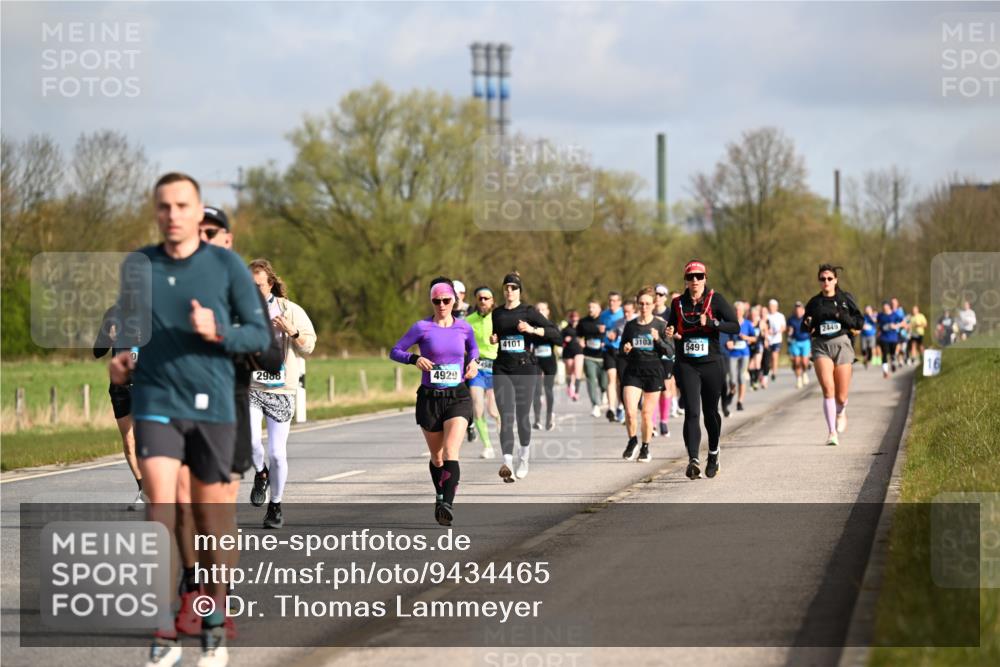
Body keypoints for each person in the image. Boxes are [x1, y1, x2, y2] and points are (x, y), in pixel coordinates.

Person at [108, 172, 270, 667]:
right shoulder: (140, 265)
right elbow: (134, 328)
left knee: (208, 517)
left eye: (182, 206)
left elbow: (260, 338)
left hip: (214, 406)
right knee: (163, 510)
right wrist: (121, 363)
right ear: (156, 212)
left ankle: (213, 612)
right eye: (164, 206)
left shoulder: (227, 267)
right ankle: (163, 623)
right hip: (157, 402)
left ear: (199, 213)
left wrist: (218, 330)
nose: (173, 215)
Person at [391, 277, 478, 524]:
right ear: (432, 301)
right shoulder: (421, 328)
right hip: (430, 398)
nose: (441, 304)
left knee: (451, 451)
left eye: (446, 300)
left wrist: (474, 363)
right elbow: (395, 350)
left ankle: (447, 505)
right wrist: (413, 359)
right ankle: (440, 494)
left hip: (457, 396)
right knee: (437, 457)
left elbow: (473, 349)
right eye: (436, 300)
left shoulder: (463, 327)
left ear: (454, 301)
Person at [246, 259, 316, 530]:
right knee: (251, 442)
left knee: (277, 453)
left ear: (270, 284)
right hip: (250, 387)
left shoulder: (289, 310)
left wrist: (293, 332)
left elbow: (309, 345)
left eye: (258, 286)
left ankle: (275, 506)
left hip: (281, 389)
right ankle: (261, 474)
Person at [666, 260, 740, 480]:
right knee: (692, 411)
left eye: (699, 276)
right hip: (687, 363)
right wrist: (670, 331)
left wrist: (713, 324)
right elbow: (672, 326)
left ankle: (714, 453)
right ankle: (693, 460)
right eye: (690, 277)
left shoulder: (715, 300)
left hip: (711, 363)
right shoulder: (678, 303)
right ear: (686, 281)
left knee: (710, 413)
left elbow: (734, 326)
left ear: (705, 278)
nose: (695, 280)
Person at [489, 272, 559, 481]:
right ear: (503, 290)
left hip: (525, 368)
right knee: (505, 417)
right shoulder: (497, 313)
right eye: (507, 287)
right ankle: (508, 462)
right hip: (502, 368)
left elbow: (555, 333)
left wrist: (532, 329)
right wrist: (495, 338)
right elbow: (498, 335)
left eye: (514, 287)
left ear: (520, 290)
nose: (510, 291)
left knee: (521, 417)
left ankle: (524, 458)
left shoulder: (529, 311)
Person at [803, 264, 864, 446]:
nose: (826, 282)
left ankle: (841, 411)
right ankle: (831, 433)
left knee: (841, 396)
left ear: (836, 280)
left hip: (842, 345)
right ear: (819, 281)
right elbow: (804, 325)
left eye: (829, 278)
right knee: (828, 390)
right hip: (821, 346)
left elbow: (859, 322)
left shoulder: (845, 299)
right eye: (822, 279)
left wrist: (841, 316)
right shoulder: (814, 302)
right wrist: (808, 323)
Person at [93, 303, 145, 510]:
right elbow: (97, 351)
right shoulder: (113, 313)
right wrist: (109, 338)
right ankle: (143, 490)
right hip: (120, 386)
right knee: (129, 441)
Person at [620, 287, 673, 462]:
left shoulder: (660, 325)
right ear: (637, 304)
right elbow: (622, 349)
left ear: (653, 304)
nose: (644, 307)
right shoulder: (631, 326)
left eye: (647, 303)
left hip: (653, 371)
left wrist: (657, 340)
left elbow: (670, 351)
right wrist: (625, 349)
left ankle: (645, 448)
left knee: (646, 414)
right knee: (629, 412)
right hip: (633, 371)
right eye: (641, 303)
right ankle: (632, 440)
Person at [465, 286, 500, 459]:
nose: (484, 301)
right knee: (477, 408)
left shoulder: (499, 317)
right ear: (477, 301)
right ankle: (487, 446)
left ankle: (505, 438)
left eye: (487, 298)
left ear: (493, 300)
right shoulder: (469, 320)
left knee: (493, 410)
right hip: (477, 368)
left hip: (495, 367)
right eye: (481, 298)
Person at [530, 301, 561, 431]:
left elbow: (559, 341)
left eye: (543, 309)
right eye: (538, 310)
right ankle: (537, 419)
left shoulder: (552, 326)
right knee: (536, 391)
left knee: (548, 390)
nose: (541, 312)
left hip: (549, 361)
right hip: (535, 360)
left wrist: (545, 333)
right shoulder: (530, 327)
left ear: (548, 311)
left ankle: (549, 416)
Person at [577, 300, 608, 418]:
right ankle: (595, 405)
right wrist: (579, 340)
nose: (591, 310)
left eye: (594, 307)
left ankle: (604, 391)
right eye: (589, 307)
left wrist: (605, 339)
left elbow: (612, 333)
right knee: (590, 379)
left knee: (603, 383)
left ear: (600, 309)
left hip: (603, 356)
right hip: (588, 356)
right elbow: (578, 335)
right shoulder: (583, 322)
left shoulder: (605, 320)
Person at [652, 284, 675, 435]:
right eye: (656, 294)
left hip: (667, 354)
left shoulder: (670, 313)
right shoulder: (647, 310)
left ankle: (664, 421)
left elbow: (677, 333)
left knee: (665, 390)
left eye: (661, 294)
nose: (658, 297)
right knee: (652, 389)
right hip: (651, 355)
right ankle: (652, 423)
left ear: (666, 297)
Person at [599, 292, 625, 422]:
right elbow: (601, 331)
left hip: (622, 350)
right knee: (611, 378)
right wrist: (602, 332)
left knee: (621, 381)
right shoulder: (604, 315)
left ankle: (620, 406)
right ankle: (611, 409)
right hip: (608, 350)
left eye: (615, 301)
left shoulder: (624, 314)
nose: (612, 303)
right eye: (610, 300)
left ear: (620, 302)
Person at [725, 300, 756, 411]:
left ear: (743, 311)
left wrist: (747, 338)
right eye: (736, 310)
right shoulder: (730, 324)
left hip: (744, 353)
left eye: (740, 310)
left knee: (741, 377)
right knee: (732, 378)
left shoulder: (748, 324)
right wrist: (728, 343)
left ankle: (740, 401)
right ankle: (732, 391)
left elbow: (754, 338)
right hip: (733, 353)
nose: (738, 312)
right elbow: (725, 338)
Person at [786, 301, 812, 389]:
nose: (798, 312)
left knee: (804, 362)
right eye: (796, 310)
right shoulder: (791, 319)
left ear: (803, 310)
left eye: (800, 310)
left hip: (805, 341)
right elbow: (788, 331)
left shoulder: (807, 318)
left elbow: (812, 331)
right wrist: (789, 332)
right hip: (795, 342)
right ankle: (798, 379)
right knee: (796, 362)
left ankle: (804, 373)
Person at [561, 310, 584, 402]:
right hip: (568, 352)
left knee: (578, 371)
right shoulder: (565, 329)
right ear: (569, 319)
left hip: (579, 351)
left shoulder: (581, 328)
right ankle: (570, 387)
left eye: (576, 317)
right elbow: (559, 340)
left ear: (578, 318)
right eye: (572, 317)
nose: (574, 319)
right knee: (570, 372)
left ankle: (577, 392)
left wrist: (584, 342)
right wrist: (565, 340)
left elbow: (588, 336)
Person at [876, 301, 903, 378]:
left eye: (886, 308)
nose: (885, 309)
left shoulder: (895, 315)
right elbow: (878, 324)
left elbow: (903, 323)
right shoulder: (880, 315)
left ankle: (893, 363)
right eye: (883, 308)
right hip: (883, 338)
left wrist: (896, 326)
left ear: (889, 307)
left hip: (893, 338)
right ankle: (885, 371)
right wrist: (878, 331)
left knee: (892, 354)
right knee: (884, 354)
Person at [765, 299, 786, 381]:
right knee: (768, 357)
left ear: (776, 307)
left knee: (774, 356)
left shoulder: (780, 316)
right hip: (768, 339)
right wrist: (767, 331)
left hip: (777, 339)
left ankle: (774, 372)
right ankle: (769, 368)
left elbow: (784, 327)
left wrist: (779, 331)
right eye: (770, 306)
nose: (772, 308)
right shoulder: (766, 316)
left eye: (773, 306)